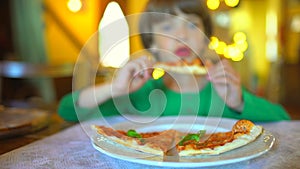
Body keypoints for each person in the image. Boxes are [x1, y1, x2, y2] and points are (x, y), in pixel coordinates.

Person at [58, 0, 290, 122]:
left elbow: (283, 119)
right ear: (153, 46)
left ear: (205, 40)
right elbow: (68, 109)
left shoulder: (225, 94)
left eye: (191, 25)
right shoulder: (142, 95)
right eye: (167, 26)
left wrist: (237, 102)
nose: (181, 35)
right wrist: (114, 88)